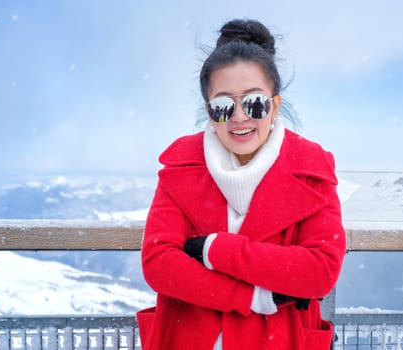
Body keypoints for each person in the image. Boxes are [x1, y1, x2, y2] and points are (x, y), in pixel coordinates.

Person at [140, 18, 346, 350]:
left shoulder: (311, 167)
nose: (239, 117)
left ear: (274, 105)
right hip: (190, 339)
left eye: (254, 103)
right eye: (223, 106)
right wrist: (254, 296)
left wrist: (214, 250)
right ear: (209, 111)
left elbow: (319, 271)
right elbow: (159, 264)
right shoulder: (182, 163)